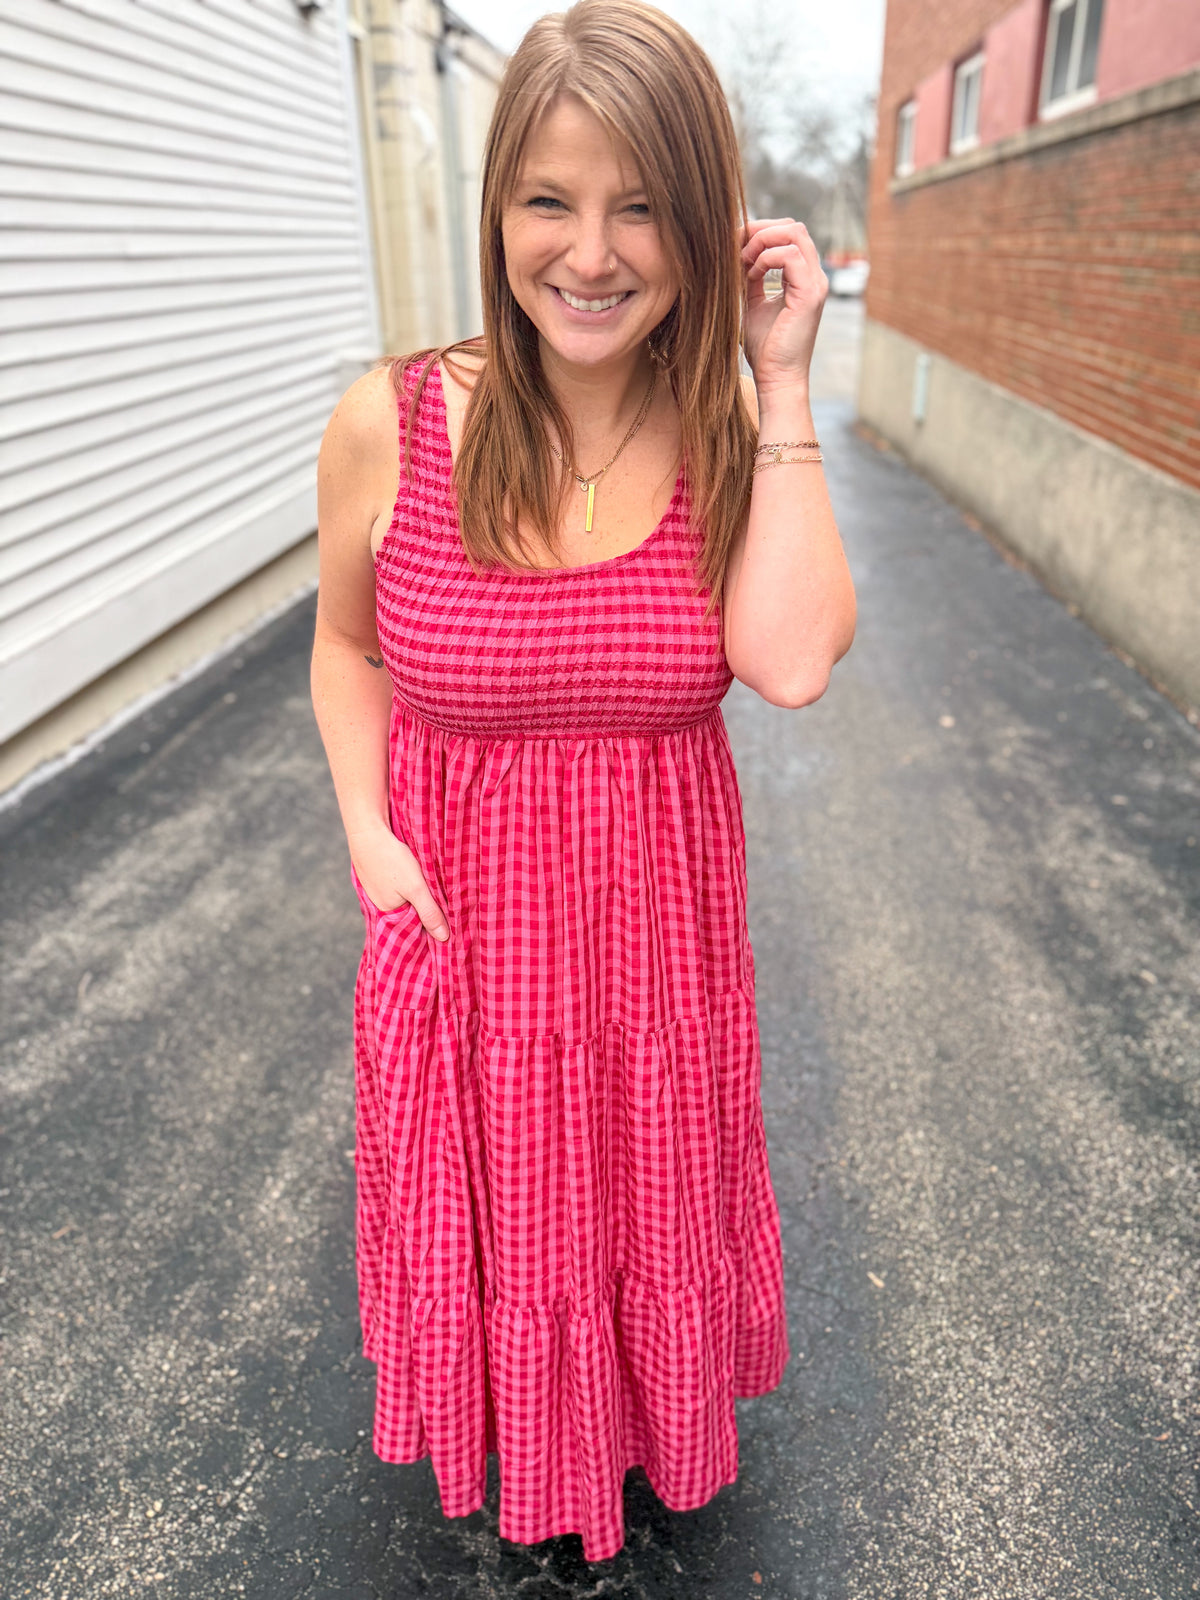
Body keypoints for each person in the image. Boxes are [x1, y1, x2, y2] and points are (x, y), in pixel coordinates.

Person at [310, 0, 856, 1563]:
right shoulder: (393, 423)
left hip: (651, 971)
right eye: (550, 199)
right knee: (502, 1239)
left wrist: (786, 382)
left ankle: (626, 1446)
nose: (592, 253)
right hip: (467, 950)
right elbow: (348, 653)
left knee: (638, 1224)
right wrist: (368, 834)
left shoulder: (732, 433)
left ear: (704, 226)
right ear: (497, 211)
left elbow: (798, 659)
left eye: (640, 207)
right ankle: (523, 1458)